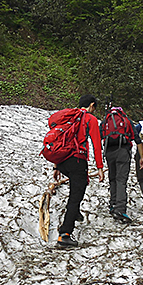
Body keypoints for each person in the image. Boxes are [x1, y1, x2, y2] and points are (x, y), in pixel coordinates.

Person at [54, 94, 105, 247]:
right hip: (77, 160)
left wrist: (56, 166)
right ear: (91, 105)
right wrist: (100, 168)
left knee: (79, 187)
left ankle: (75, 213)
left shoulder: (69, 117)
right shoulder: (90, 119)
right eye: (94, 108)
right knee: (75, 195)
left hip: (62, 160)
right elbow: (96, 145)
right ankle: (65, 234)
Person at [101, 107, 143, 224]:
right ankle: (120, 209)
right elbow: (137, 139)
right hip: (123, 152)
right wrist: (142, 157)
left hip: (109, 152)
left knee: (112, 178)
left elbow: (100, 134)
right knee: (121, 180)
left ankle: (113, 204)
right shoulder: (126, 120)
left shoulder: (106, 120)